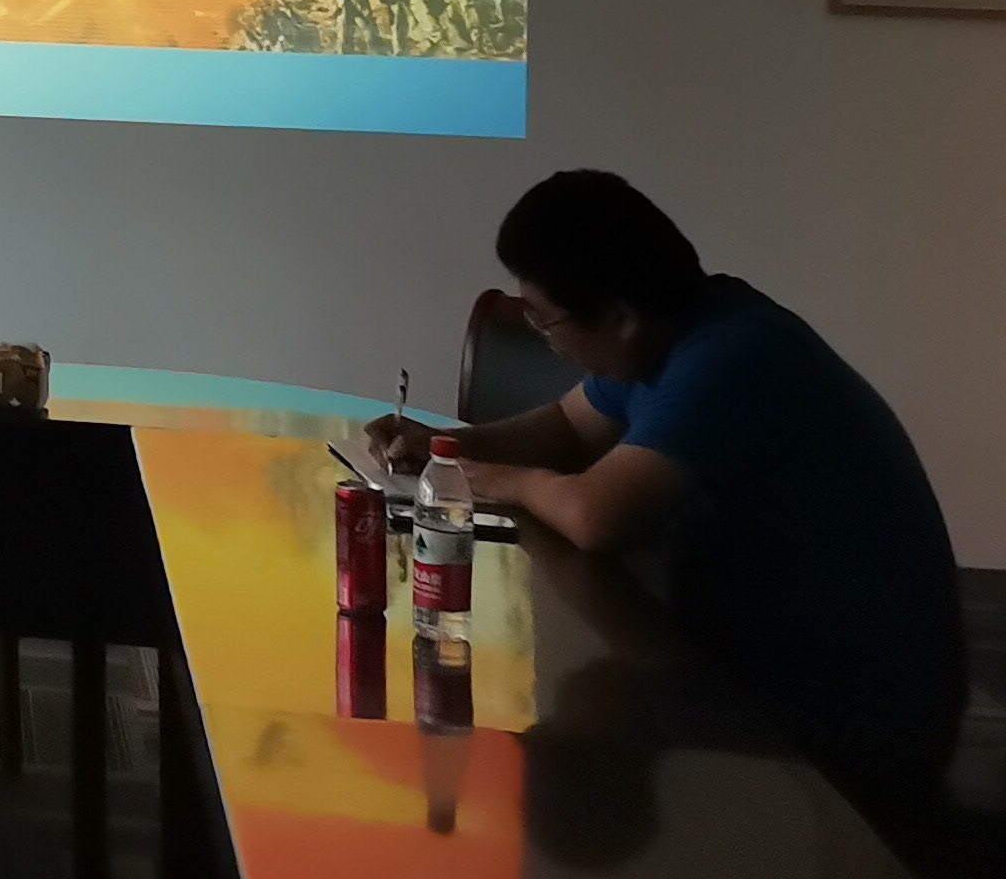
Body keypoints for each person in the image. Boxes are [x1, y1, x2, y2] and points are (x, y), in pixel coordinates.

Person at [367, 171, 962, 823]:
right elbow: (566, 428)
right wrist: (445, 447)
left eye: (546, 321)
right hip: (762, 663)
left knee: (594, 704)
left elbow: (596, 517)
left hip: (853, 722)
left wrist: (497, 480)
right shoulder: (670, 329)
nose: (544, 337)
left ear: (620, 316)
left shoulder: (733, 355)